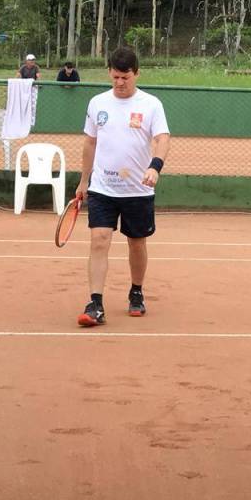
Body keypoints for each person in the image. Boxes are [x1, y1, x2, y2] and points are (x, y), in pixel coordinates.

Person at [76, 46, 170, 327]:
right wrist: (83, 180)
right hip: (102, 188)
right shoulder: (97, 103)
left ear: (136, 74)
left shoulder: (151, 104)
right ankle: (95, 304)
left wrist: (154, 167)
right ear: (109, 73)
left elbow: (163, 139)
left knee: (136, 243)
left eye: (125, 77)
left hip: (138, 190)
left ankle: (136, 291)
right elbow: (90, 143)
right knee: (99, 239)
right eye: (115, 77)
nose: (119, 83)